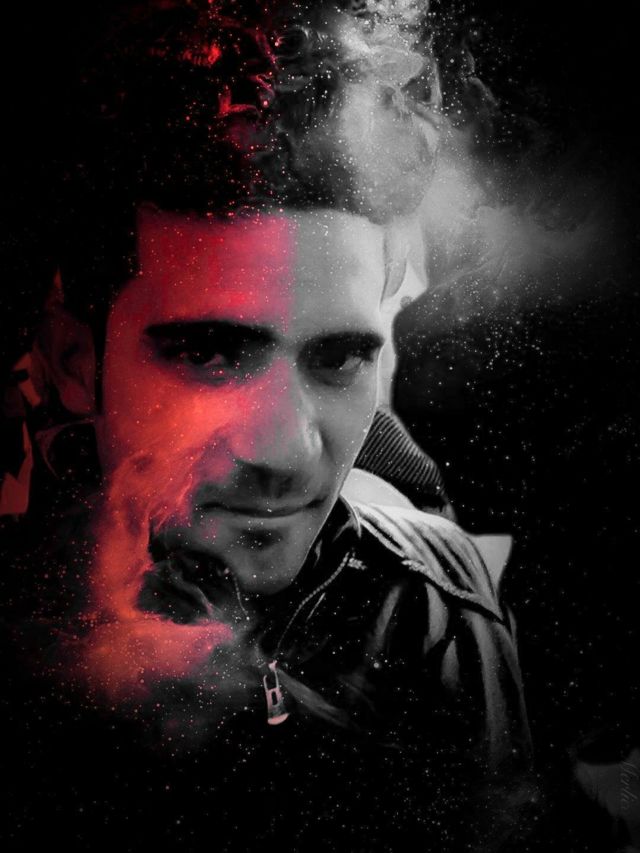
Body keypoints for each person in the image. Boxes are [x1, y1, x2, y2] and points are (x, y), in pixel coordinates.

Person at [2, 2, 538, 850]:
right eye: (212, 353)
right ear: (75, 360)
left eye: (339, 358)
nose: (286, 448)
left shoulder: (436, 605)